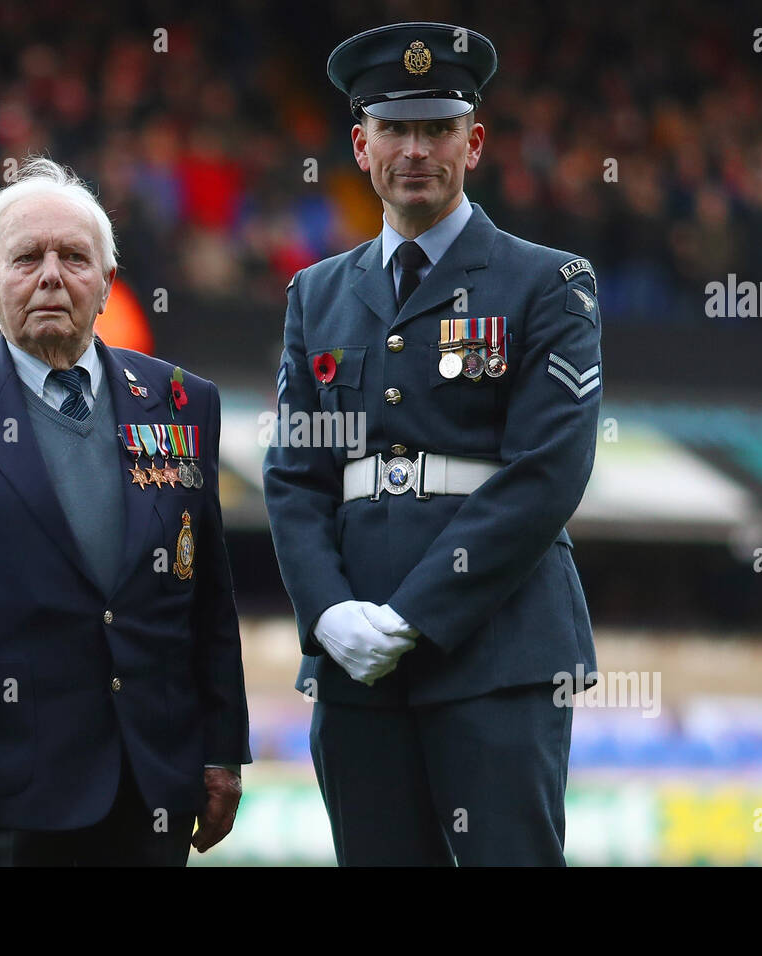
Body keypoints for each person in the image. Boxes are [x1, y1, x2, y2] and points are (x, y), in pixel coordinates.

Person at [0, 157, 250, 866]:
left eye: (74, 257)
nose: (52, 275)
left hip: (149, 788)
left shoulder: (186, 402)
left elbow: (207, 599)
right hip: (1, 788)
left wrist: (220, 751)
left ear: (107, 286)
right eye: (27, 257)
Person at [262, 22, 601, 866]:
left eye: (438, 128)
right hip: (353, 665)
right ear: (360, 144)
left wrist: (413, 615)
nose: (416, 149)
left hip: (498, 647)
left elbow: (544, 476)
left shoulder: (548, 283)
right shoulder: (316, 296)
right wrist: (328, 612)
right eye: (395, 128)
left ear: (474, 141)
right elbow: (296, 475)